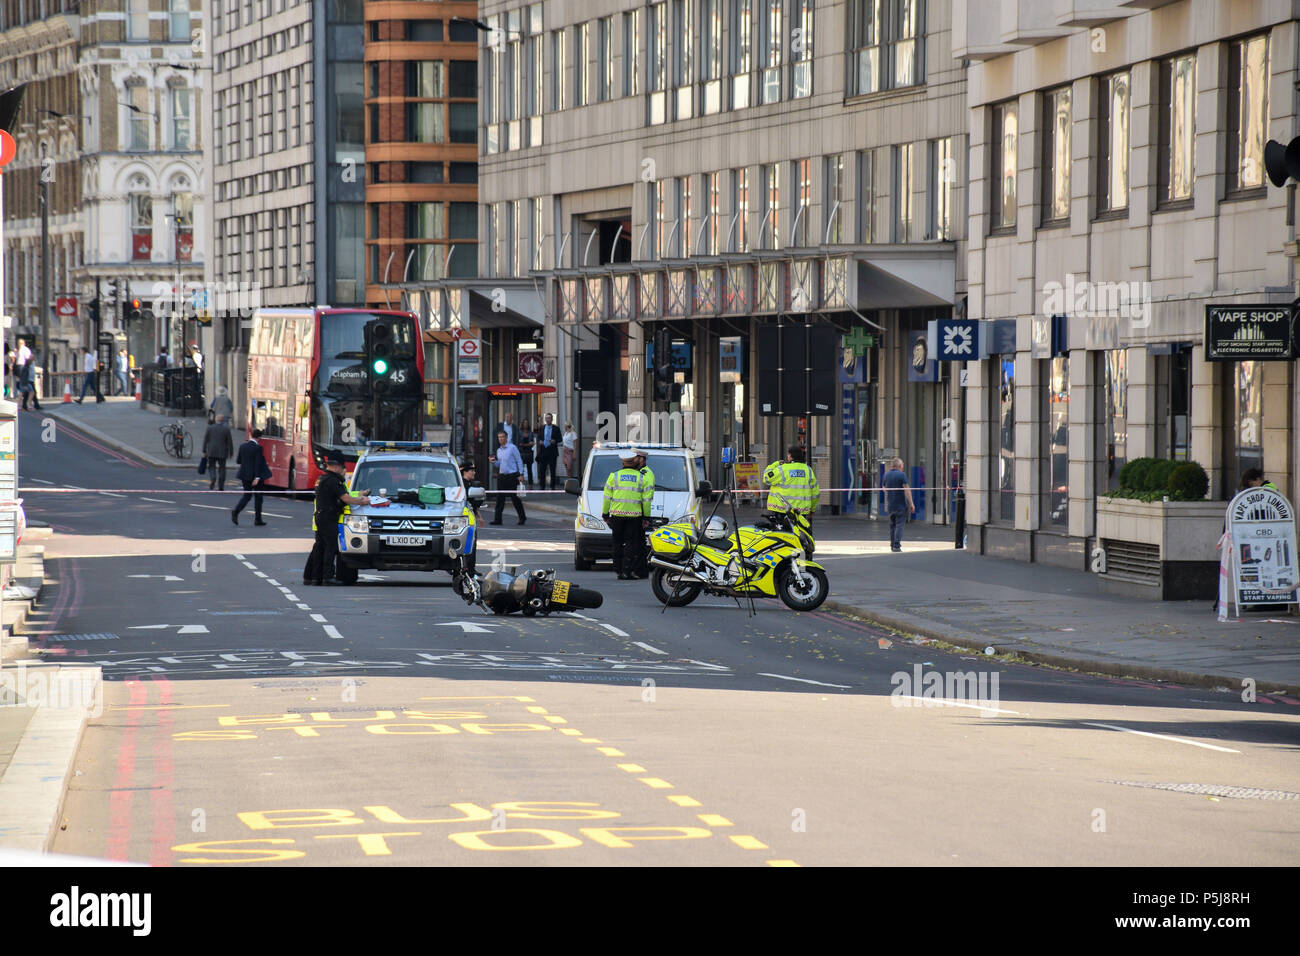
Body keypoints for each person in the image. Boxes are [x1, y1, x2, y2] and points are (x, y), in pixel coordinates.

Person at [304, 451, 371, 586]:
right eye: (342, 466)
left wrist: (357, 495)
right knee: (330, 547)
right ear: (337, 466)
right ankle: (328, 577)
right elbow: (345, 498)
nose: (343, 469)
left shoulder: (322, 479)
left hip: (321, 517)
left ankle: (317, 577)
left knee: (319, 547)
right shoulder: (333, 480)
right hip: (329, 518)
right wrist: (361, 501)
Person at [603, 450, 652, 580]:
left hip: (617, 515)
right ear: (634, 461)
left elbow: (607, 497)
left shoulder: (614, 476)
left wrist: (605, 514)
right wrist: (646, 517)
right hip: (634, 516)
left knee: (617, 542)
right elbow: (646, 500)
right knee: (631, 543)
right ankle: (627, 570)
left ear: (622, 462)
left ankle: (618, 569)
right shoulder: (641, 478)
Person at [762, 444, 820, 520]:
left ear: (790, 456)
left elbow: (766, 478)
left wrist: (775, 464)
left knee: (782, 532)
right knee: (798, 531)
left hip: (782, 510)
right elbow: (815, 493)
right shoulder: (808, 470)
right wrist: (812, 510)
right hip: (801, 511)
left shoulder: (782, 469)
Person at [232, 428, 272, 525]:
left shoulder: (243, 446)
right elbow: (258, 463)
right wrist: (257, 477)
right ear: (259, 438)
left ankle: (236, 511)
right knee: (258, 498)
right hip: (255, 477)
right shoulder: (258, 448)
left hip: (244, 475)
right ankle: (258, 519)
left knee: (247, 496)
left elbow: (238, 461)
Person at [488, 430, 526, 525]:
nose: (501, 439)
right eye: (499, 437)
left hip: (512, 476)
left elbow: (519, 461)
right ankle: (498, 519)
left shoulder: (512, 448)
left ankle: (522, 517)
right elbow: (499, 464)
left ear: (506, 438)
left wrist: (521, 474)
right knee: (500, 499)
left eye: (502, 437)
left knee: (515, 498)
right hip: (502, 476)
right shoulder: (498, 450)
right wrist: (493, 462)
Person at [883, 457, 915, 553]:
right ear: (900, 466)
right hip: (900, 504)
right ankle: (897, 545)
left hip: (890, 505)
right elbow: (906, 489)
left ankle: (892, 545)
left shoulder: (886, 475)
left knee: (892, 525)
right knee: (899, 525)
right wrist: (911, 504)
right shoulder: (902, 475)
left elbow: (884, 488)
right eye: (902, 466)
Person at [633, 449, 656, 577]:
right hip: (635, 511)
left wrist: (645, 517)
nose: (634, 460)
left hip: (640, 512)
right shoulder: (638, 472)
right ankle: (638, 569)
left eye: (636, 458)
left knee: (639, 543)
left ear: (641, 459)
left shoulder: (646, 474)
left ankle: (641, 570)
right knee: (636, 542)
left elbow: (646, 498)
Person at [202, 414, 234, 491]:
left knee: (211, 466)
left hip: (211, 451)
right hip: (222, 452)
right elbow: (230, 442)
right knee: (222, 468)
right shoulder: (226, 429)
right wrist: (231, 452)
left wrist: (204, 450)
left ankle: (213, 478)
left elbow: (205, 440)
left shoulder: (210, 428)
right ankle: (221, 485)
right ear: (222, 421)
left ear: (216, 420)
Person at [537, 413, 561, 490]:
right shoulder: (541, 428)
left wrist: (554, 441)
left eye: (549, 418)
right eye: (546, 418)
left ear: (552, 419)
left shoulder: (556, 428)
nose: (548, 420)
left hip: (552, 451)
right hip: (543, 451)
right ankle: (542, 486)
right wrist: (540, 442)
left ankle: (552, 486)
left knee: (552, 470)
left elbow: (560, 439)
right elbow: (538, 438)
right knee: (542, 470)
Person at [516, 419, 535, 488]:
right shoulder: (520, 432)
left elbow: (532, 443)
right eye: (524, 423)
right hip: (521, 452)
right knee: (521, 469)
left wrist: (525, 444)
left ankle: (530, 484)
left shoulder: (531, 433)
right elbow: (519, 443)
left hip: (529, 453)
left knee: (530, 469)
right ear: (522, 424)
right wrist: (527, 444)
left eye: (527, 423)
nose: (525, 424)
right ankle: (521, 483)